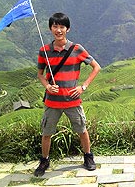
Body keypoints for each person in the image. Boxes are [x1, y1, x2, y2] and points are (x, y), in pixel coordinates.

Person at [34, 12, 101, 177]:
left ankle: (88, 157)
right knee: (46, 132)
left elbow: (96, 67)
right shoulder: (44, 51)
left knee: (82, 129)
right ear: (50, 28)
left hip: (72, 99)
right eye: (55, 26)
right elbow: (40, 74)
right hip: (52, 101)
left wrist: (83, 87)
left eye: (61, 26)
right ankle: (44, 160)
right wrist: (48, 86)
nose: (58, 30)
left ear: (67, 29)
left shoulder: (76, 49)